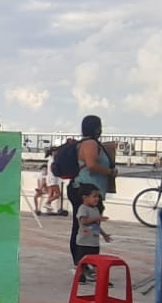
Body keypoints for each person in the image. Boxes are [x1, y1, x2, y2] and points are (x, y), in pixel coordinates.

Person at [69, 115, 116, 273]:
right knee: (83, 228)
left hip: (91, 190)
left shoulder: (89, 143)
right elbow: (91, 165)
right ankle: (83, 265)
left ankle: (86, 265)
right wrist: (110, 171)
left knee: (88, 229)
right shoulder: (90, 143)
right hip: (85, 189)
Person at [75, 184, 113, 269]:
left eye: (98, 196)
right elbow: (83, 221)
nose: (97, 199)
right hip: (83, 242)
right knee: (82, 262)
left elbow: (95, 226)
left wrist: (104, 234)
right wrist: (97, 218)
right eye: (94, 196)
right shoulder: (83, 208)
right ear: (85, 197)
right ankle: (81, 276)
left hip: (94, 243)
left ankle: (97, 277)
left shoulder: (95, 209)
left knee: (95, 262)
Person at [35, 146, 66, 216]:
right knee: (58, 194)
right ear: (52, 152)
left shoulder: (52, 159)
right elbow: (53, 169)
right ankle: (47, 202)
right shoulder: (52, 160)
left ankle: (48, 204)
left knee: (51, 193)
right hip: (53, 179)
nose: (56, 152)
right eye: (55, 151)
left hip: (52, 179)